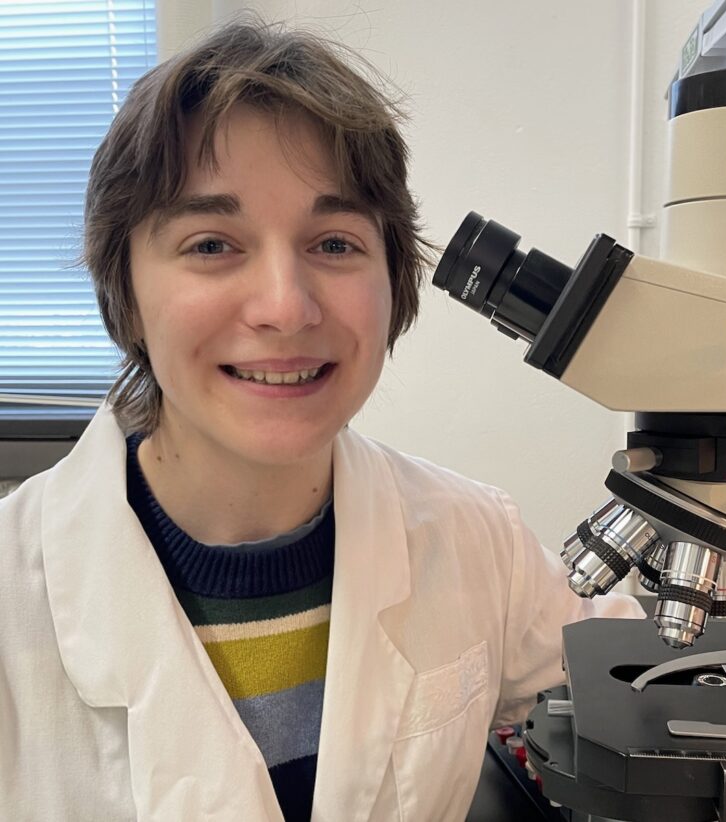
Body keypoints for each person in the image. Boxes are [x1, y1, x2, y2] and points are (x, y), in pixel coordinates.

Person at [0, 19, 644, 822]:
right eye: (210, 243)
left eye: (335, 243)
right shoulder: (12, 588)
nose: (286, 306)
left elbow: (629, 676)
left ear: (392, 281)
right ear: (125, 291)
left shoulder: (477, 538)